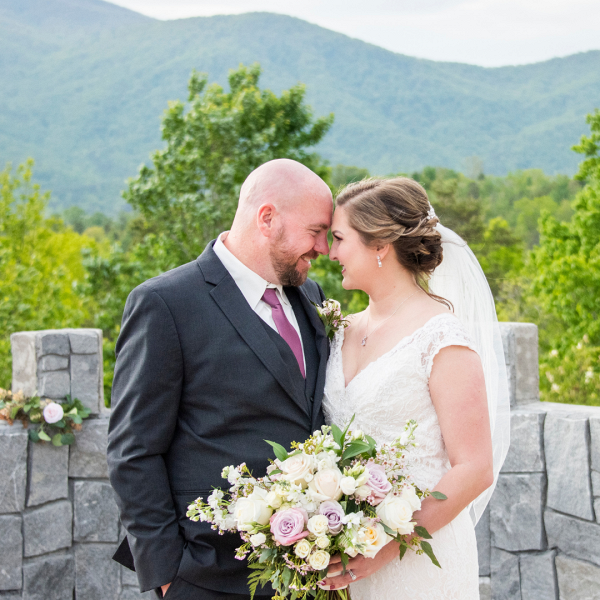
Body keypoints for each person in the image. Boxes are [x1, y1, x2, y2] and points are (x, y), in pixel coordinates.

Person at [107, 159, 333, 599]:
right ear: (267, 218)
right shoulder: (166, 304)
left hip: (308, 572)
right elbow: (133, 450)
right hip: (206, 573)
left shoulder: (311, 296)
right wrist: (169, 575)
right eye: (316, 230)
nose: (323, 247)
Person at [320, 177, 510, 599]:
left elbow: (475, 468)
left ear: (379, 246)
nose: (329, 253)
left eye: (339, 238)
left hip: (418, 558)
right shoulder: (338, 329)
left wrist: (383, 548)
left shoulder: (441, 338)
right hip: (343, 556)